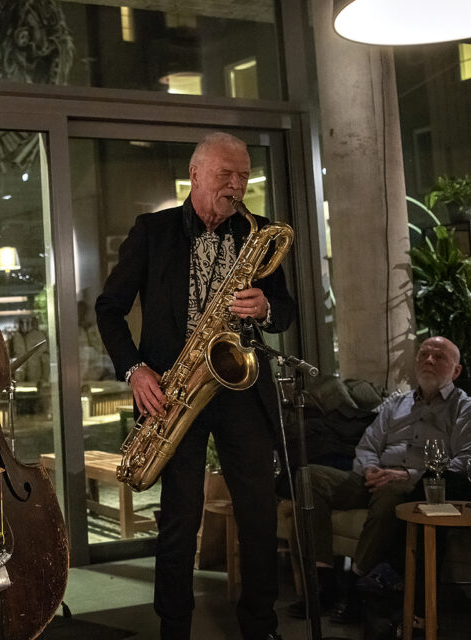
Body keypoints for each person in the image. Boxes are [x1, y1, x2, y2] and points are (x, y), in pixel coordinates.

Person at [96, 132, 296, 640]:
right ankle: (174, 627)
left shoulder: (257, 233)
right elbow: (109, 309)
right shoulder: (153, 231)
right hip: (174, 391)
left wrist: (265, 309)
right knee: (179, 520)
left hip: (240, 388)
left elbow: (285, 311)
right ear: (196, 174)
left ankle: (260, 626)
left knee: (258, 514)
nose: (237, 186)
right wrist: (135, 369)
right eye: (226, 175)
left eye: (243, 176)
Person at [288, 336, 471, 623]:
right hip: (373, 477)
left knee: (391, 495)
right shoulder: (396, 404)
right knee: (308, 477)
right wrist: (370, 468)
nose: (429, 360)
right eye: (424, 354)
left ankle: (357, 585)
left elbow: (467, 459)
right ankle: (323, 580)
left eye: (439, 357)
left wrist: (410, 475)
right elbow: (368, 445)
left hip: (414, 485)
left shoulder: (466, 408)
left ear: (457, 371)